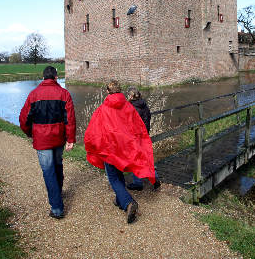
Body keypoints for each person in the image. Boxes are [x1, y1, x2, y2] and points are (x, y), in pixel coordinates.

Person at [84, 80, 155, 224]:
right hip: (124, 149)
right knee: (118, 174)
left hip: (110, 149)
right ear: (120, 91)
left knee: (113, 178)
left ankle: (128, 202)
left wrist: (93, 146)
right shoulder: (128, 106)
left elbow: (94, 130)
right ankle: (119, 199)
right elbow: (138, 127)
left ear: (107, 92)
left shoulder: (103, 109)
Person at [19, 66, 75, 219]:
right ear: (56, 77)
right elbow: (69, 119)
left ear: (43, 77)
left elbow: (24, 119)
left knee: (48, 171)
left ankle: (57, 208)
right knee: (57, 166)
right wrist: (70, 139)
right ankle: (58, 193)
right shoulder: (64, 94)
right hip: (58, 137)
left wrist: (30, 133)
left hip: (42, 139)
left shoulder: (33, 94)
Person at [126, 87, 160, 191]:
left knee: (135, 159)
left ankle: (138, 183)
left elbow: (129, 123)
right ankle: (155, 177)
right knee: (146, 158)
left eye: (128, 95)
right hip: (144, 135)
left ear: (131, 96)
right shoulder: (144, 104)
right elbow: (147, 118)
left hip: (135, 137)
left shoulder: (131, 107)